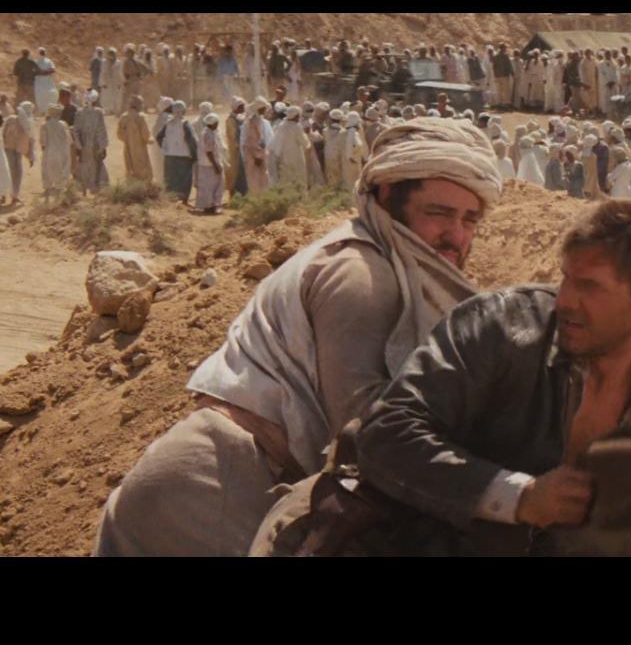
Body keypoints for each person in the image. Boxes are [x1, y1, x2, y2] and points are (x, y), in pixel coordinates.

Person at [95, 118, 505, 557]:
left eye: (470, 220)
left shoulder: (382, 261)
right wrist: (502, 490)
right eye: (438, 213)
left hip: (220, 482)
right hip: (215, 489)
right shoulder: (361, 275)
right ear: (387, 196)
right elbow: (369, 434)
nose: (457, 235)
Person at [282, 199, 631, 557]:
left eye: (589, 286)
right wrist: (517, 496)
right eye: (565, 278)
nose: (565, 300)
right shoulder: (497, 328)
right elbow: (386, 435)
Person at [158, 100, 198, 204]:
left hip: (170, 156)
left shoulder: (168, 123)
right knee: (184, 179)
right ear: (183, 111)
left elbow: (159, 137)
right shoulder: (185, 123)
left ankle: (170, 199)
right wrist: (194, 155)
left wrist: (166, 148)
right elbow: (192, 141)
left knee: (171, 179)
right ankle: (183, 200)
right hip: (184, 156)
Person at [268, 106, 312, 188]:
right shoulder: (296, 127)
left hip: (284, 155)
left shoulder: (282, 125)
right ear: (295, 116)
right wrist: (308, 142)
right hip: (296, 155)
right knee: (298, 176)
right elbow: (303, 142)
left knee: (286, 176)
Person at [2, 102, 36, 203]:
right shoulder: (11, 119)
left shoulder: (28, 124)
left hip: (19, 151)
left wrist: (31, 156)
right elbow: (3, 133)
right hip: (8, 149)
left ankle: (14, 195)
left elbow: (30, 140)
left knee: (18, 172)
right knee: (7, 172)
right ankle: (3, 195)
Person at [117, 96, 153, 184]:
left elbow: (119, 134)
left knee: (130, 169)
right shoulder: (141, 117)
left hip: (127, 147)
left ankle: (132, 188)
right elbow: (145, 135)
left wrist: (127, 140)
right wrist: (150, 140)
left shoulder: (123, 117)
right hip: (140, 148)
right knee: (143, 170)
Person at [195, 114, 227, 214]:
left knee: (208, 186)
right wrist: (215, 165)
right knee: (213, 185)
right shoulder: (208, 134)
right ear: (213, 123)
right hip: (210, 164)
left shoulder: (209, 132)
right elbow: (209, 152)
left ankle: (210, 205)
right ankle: (211, 206)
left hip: (207, 164)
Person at [39, 104, 72, 198]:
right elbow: (69, 139)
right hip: (62, 152)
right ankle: (59, 195)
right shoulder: (63, 124)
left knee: (47, 172)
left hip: (49, 152)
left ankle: (47, 194)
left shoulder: (44, 125)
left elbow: (43, 141)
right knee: (61, 172)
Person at [242, 98, 271, 193]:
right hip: (253, 156)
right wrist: (257, 156)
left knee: (264, 179)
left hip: (263, 154)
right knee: (254, 180)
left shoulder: (264, 122)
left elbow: (267, 139)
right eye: (263, 108)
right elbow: (249, 141)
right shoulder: (250, 123)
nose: (264, 110)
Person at [32, 48, 57, 113]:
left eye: (43, 52)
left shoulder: (49, 61)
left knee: (52, 95)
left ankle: (49, 111)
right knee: (40, 98)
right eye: (41, 52)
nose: (42, 53)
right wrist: (43, 72)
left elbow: (53, 70)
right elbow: (33, 71)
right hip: (39, 84)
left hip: (48, 83)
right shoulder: (35, 62)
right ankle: (42, 112)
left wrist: (43, 72)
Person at [100, 48, 123, 116]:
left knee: (116, 96)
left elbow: (120, 73)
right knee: (107, 96)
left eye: (112, 53)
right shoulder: (104, 62)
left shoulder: (118, 62)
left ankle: (116, 110)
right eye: (110, 53)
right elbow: (102, 73)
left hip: (115, 82)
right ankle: (107, 110)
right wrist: (103, 82)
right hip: (107, 82)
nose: (111, 55)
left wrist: (120, 83)